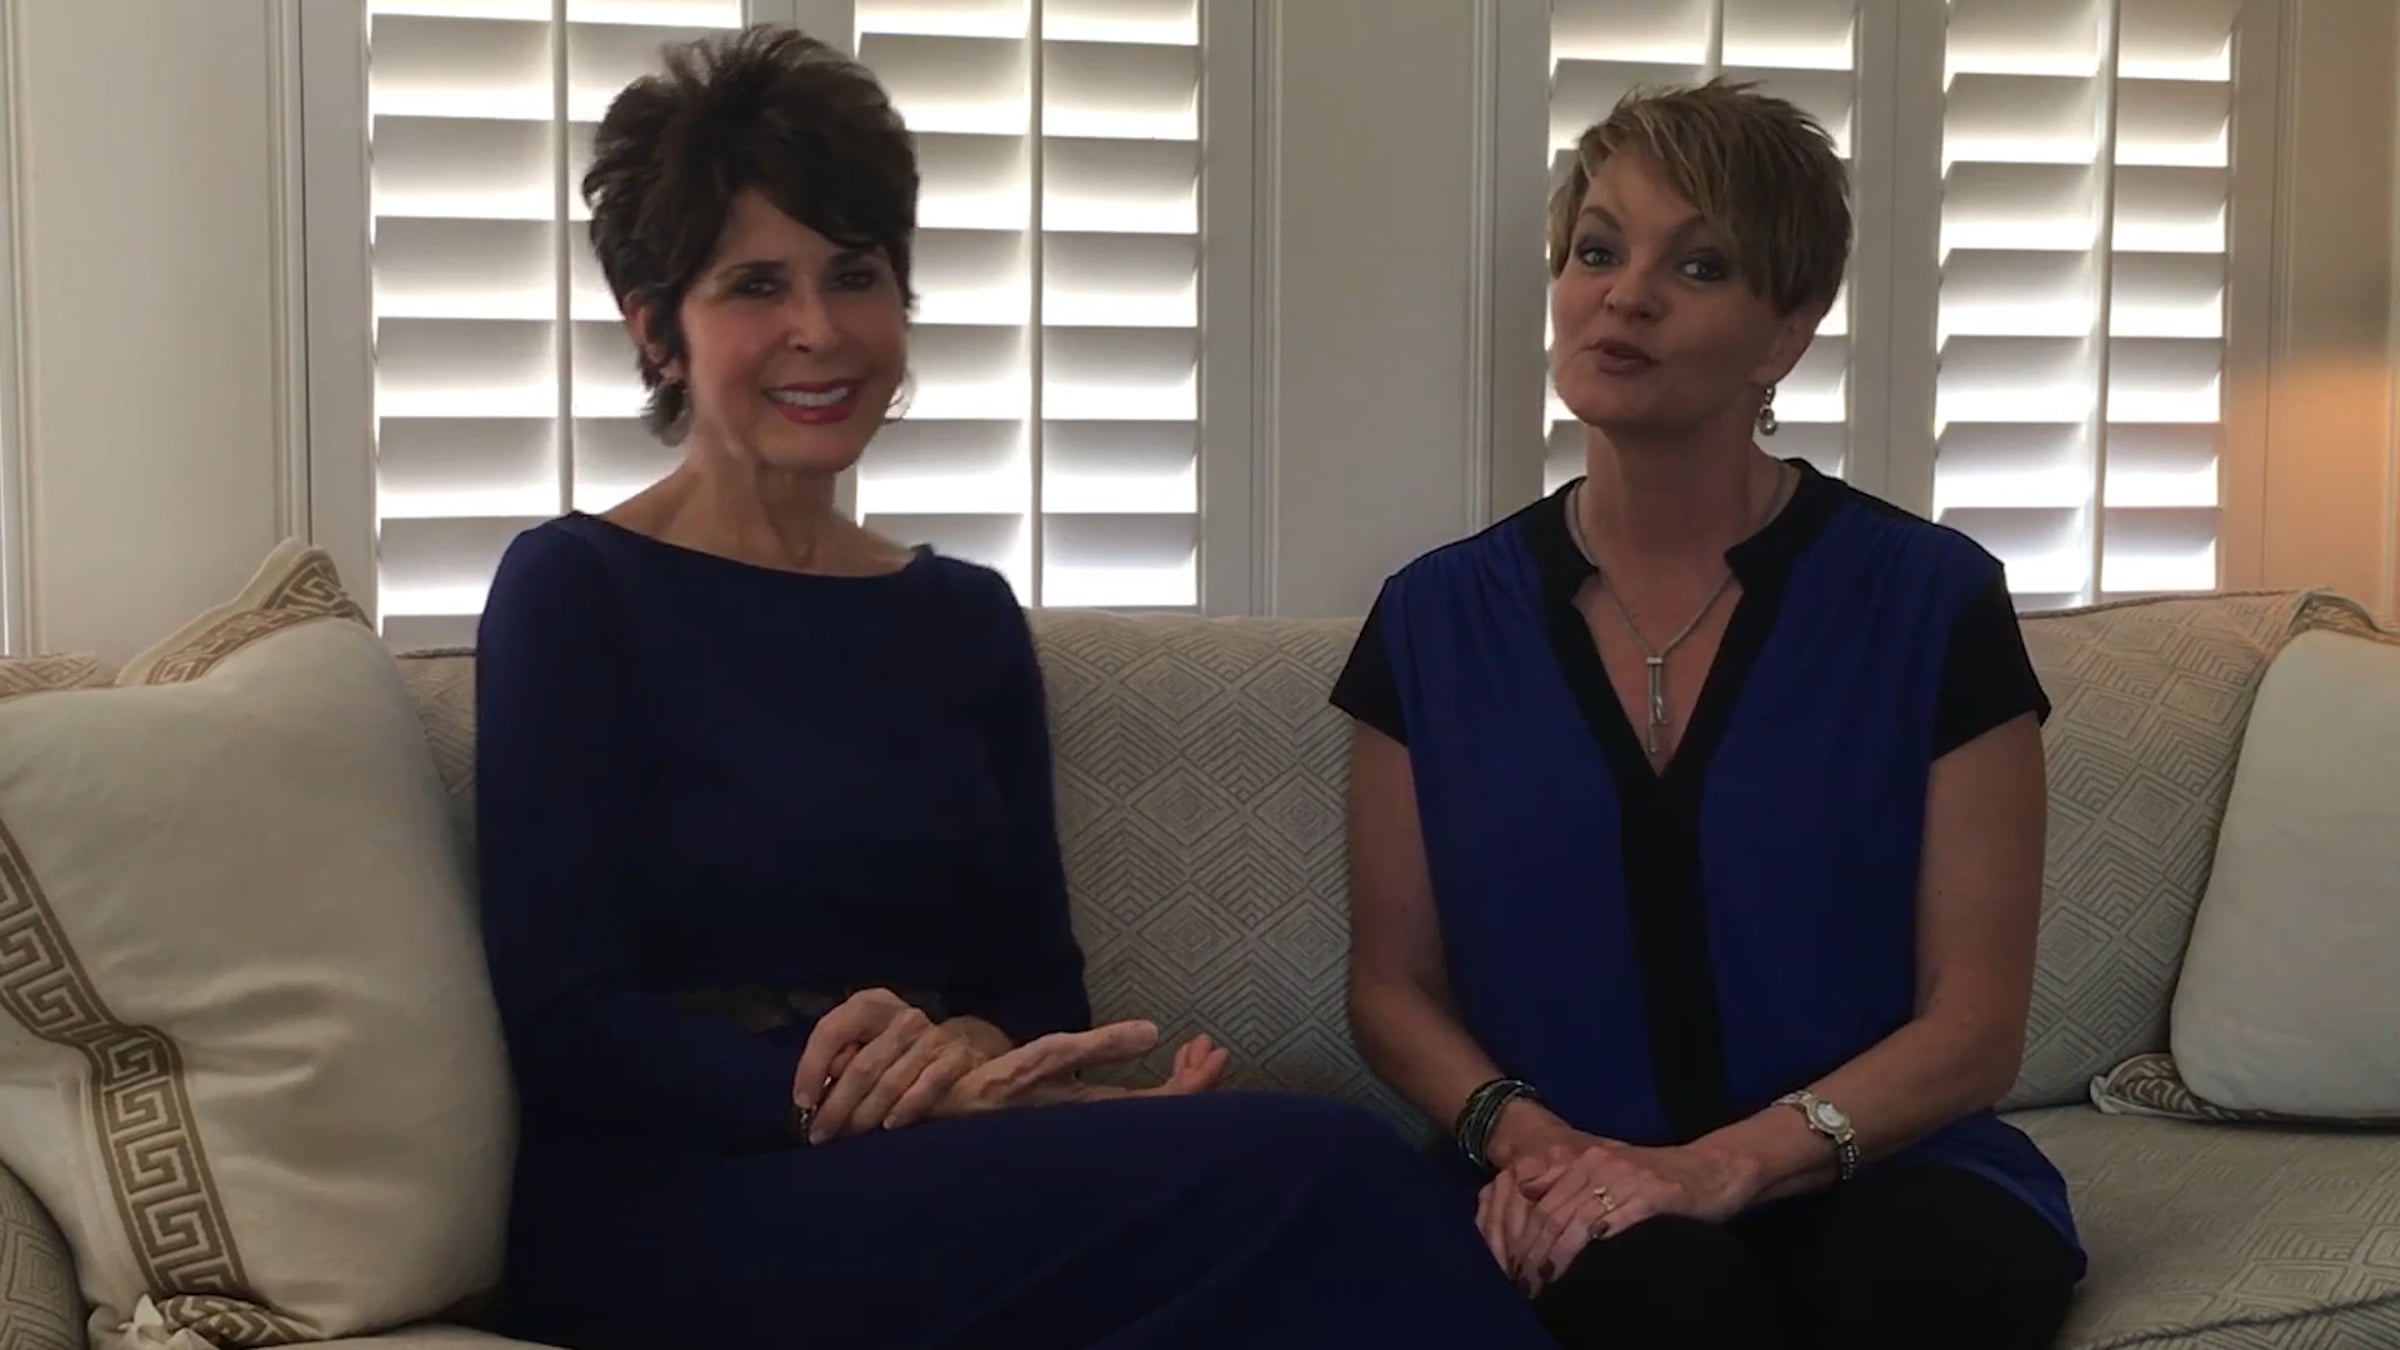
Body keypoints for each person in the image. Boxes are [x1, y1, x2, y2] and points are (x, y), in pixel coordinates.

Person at [470, 23, 1557, 1350]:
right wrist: (857, 1090)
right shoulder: (574, 590)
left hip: (926, 1175)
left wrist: (986, 1057)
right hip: (676, 1200)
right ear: (657, 332)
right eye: (755, 285)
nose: (819, 329)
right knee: (1323, 1169)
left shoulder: (960, 620)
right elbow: (566, 1015)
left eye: (855, 274)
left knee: (1287, 1246)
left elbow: (1038, 985)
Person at [1331, 80, 2087, 1349]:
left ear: (1785, 331)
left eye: (1698, 265)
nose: (1625, 295)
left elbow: (1974, 1027)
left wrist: (1721, 1167)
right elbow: (1392, 989)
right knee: (1658, 1305)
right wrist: (1540, 1151)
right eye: (1596, 251)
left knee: (1916, 1290)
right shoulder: (1431, 619)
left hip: (1885, 1173)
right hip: (1568, 1182)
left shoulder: (1932, 601)